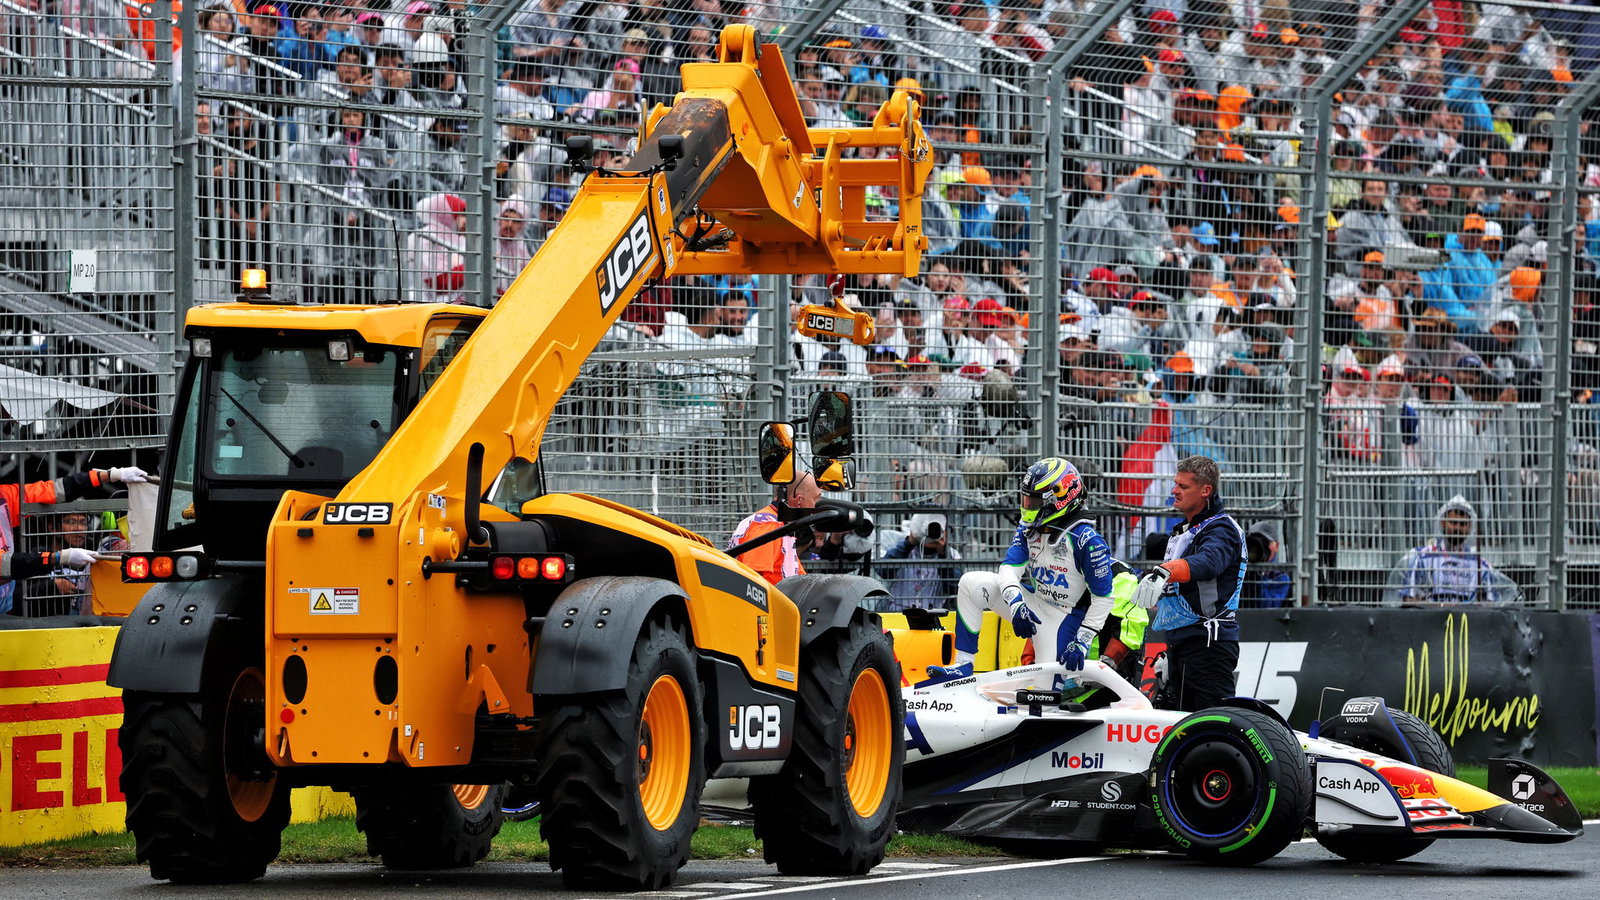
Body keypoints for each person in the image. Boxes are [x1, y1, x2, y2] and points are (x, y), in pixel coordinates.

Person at [926, 458, 1114, 682]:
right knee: (970, 583)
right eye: (1026, 498)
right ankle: (963, 665)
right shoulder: (1028, 527)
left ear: (1060, 498)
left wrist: (1082, 640)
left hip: (1064, 618)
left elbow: (1104, 598)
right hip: (1033, 604)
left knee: (1046, 693)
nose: (1028, 506)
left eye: (1034, 500)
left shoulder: (1087, 540)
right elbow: (1009, 568)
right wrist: (1016, 603)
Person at [1132, 454, 1244, 711]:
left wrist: (1165, 571)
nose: (1174, 490)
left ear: (1206, 491)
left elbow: (1209, 562)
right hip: (1183, 643)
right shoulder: (1190, 529)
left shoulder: (1222, 529)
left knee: (1212, 724)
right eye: (1175, 484)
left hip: (1208, 645)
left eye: (1183, 486)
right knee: (1180, 726)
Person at [1, 466, 147, 616]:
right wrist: (53, 581)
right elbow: (16, 591)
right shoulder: (35, 554)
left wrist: (111, 475)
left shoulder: (97, 555)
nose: (79, 529)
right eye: (71, 522)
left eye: (83, 522)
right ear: (53, 527)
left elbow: (58, 489)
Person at [1393, 495, 1513, 604]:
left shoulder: (1480, 565)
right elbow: (1408, 600)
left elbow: (1490, 605)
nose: (1457, 528)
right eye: (1453, 522)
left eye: (1463, 524)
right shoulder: (1422, 558)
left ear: (1470, 527)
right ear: (1443, 523)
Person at [728, 471, 821, 586]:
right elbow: (753, 582)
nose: (816, 506)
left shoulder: (779, 525)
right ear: (799, 500)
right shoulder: (769, 527)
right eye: (816, 499)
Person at [879, 512, 962, 611]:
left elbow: (955, 588)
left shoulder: (952, 555)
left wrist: (943, 555)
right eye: (928, 528)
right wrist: (909, 543)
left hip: (933, 615)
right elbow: (884, 572)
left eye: (937, 528)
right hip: (897, 614)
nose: (931, 533)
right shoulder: (901, 548)